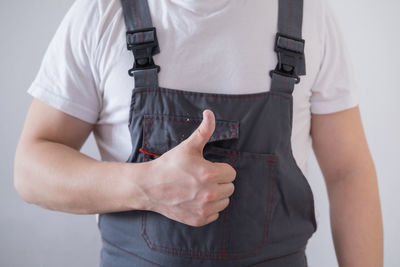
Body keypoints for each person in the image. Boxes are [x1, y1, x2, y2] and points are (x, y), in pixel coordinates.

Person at [14, 0, 383, 266]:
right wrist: (147, 186)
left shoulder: (308, 16)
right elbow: (30, 171)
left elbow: (348, 172)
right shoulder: (100, 14)